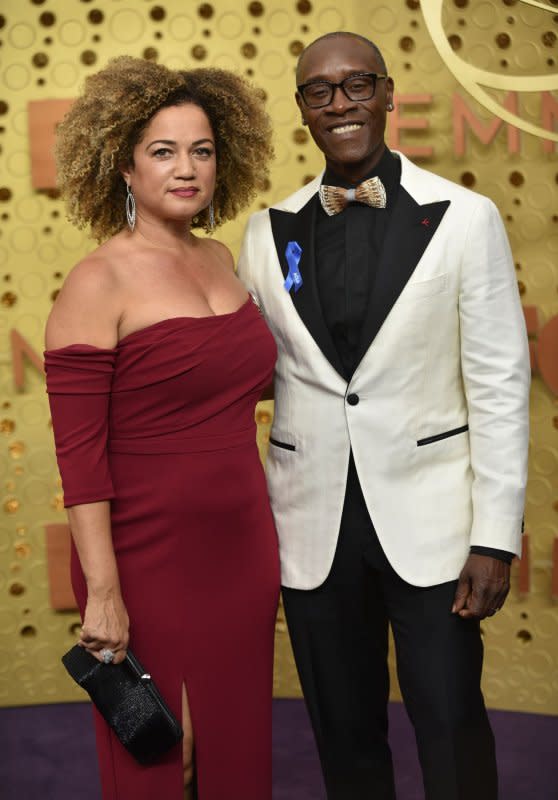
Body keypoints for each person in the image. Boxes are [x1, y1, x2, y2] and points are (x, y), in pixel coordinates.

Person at [238, 31, 530, 800]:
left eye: (358, 84)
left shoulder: (466, 218)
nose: (341, 103)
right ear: (302, 108)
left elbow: (500, 384)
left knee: (452, 726)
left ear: (390, 93)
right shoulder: (266, 233)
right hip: (311, 529)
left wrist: (495, 537)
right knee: (344, 735)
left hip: (435, 528)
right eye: (320, 91)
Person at [45, 56, 279, 800]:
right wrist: (104, 590)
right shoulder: (98, 280)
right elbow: (78, 457)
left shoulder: (220, 259)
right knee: (156, 758)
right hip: (142, 553)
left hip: (241, 541)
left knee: (236, 741)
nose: (188, 168)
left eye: (202, 150)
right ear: (123, 165)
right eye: (164, 151)